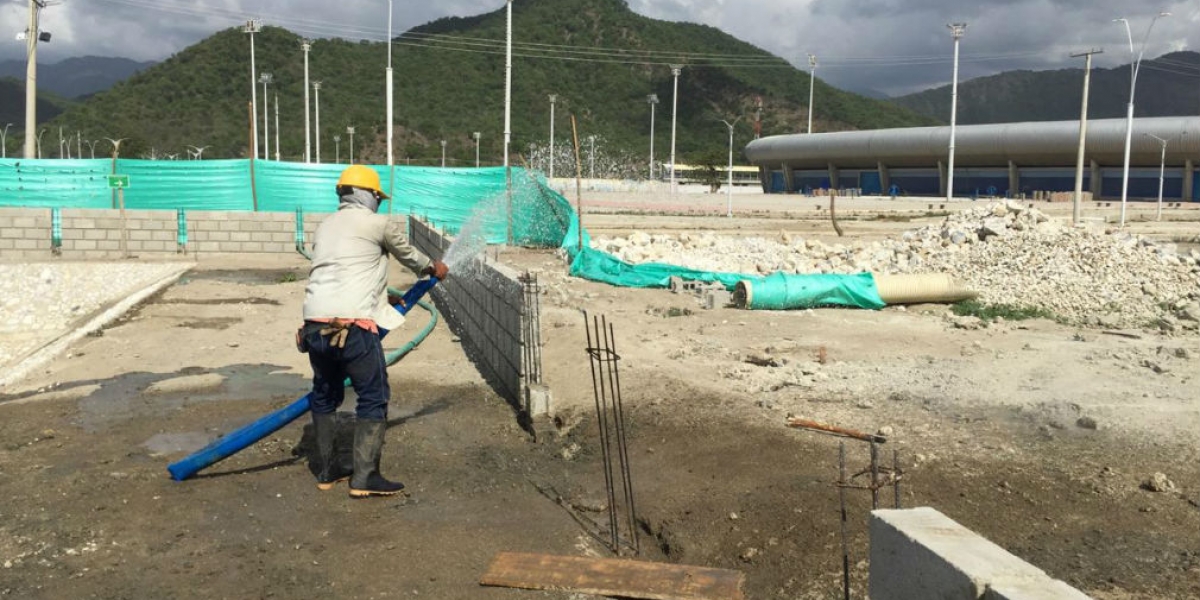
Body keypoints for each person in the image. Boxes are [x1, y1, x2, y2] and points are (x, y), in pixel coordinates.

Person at [299, 165, 449, 498]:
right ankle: (365, 478)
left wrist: (385, 297)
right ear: (369, 196)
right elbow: (412, 258)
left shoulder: (326, 227)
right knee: (373, 396)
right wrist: (433, 268)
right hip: (353, 330)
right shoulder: (378, 224)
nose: (379, 203)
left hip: (315, 328)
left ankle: (326, 472)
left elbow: (344, 271)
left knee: (324, 396)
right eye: (378, 197)